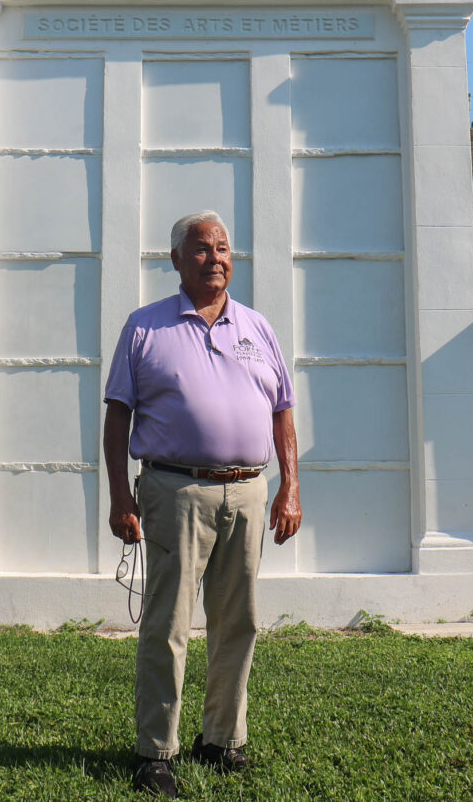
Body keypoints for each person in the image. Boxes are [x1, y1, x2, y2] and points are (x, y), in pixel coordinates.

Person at [104, 210, 302, 799]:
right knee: (167, 624)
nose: (215, 257)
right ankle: (155, 752)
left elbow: (282, 410)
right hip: (174, 489)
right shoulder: (145, 328)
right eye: (201, 248)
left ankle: (220, 739)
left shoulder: (257, 327)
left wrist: (290, 485)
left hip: (248, 489)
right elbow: (118, 416)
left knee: (237, 621)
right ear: (176, 259)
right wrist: (120, 495)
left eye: (223, 248)